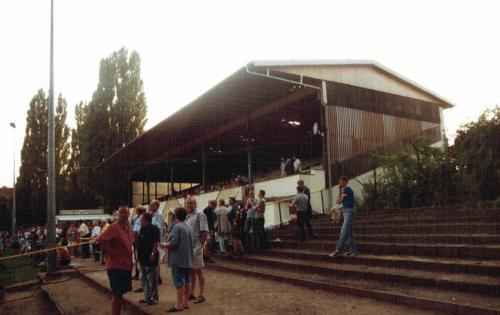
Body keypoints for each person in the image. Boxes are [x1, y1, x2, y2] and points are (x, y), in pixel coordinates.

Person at [97, 206, 133, 315]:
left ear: (128, 214)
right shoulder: (114, 227)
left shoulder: (127, 226)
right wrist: (111, 252)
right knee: (117, 294)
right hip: (116, 266)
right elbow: (101, 239)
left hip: (125, 265)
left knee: (120, 293)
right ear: (118, 214)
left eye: (125, 213)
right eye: (121, 213)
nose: (123, 215)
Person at [161, 207, 194, 312]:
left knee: (179, 282)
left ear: (175, 215)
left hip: (178, 259)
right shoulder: (188, 226)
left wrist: (164, 244)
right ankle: (185, 303)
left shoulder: (177, 227)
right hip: (188, 258)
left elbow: (174, 243)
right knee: (187, 280)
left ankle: (179, 305)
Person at [185, 196, 209, 304]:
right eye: (187, 203)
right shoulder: (187, 215)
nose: (189, 205)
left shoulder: (200, 214)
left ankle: (201, 294)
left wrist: (201, 245)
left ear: (195, 204)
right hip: (188, 247)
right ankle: (191, 293)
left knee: (199, 271)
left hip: (196, 246)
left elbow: (204, 231)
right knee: (191, 271)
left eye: (191, 203)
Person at [329, 176, 357, 257]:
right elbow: (339, 200)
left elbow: (339, 200)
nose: (339, 184)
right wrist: (339, 191)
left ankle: (338, 250)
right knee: (349, 233)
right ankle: (352, 251)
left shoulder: (347, 188)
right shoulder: (344, 189)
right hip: (346, 211)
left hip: (349, 211)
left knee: (344, 231)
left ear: (345, 182)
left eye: (340, 182)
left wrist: (339, 191)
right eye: (339, 182)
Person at [136, 212, 160, 305]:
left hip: (150, 258)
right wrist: (138, 255)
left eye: (141, 219)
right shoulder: (141, 229)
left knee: (152, 278)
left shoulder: (154, 229)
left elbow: (155, 243)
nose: (140, 221)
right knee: (144, 278)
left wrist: (153, 254)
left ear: (145, 220)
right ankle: (147, 297)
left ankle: (154, 297)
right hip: (142, 258)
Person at [149, 200, 163, 296]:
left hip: (157, 239)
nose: (150, 206)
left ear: (157, 206)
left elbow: (159, 227)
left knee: (156, 258)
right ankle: (155, 276)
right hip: (151, 238)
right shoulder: (152, 214)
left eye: (152, 205)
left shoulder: (159, 215)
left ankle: (157, 277)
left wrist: (152, 220)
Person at [132, 205, 145, 282]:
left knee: (138, 258)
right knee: (137, 258)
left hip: (137, 241)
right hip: (138, 240)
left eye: (136, 210)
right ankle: (137, 273)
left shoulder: (139, 219)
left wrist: (134, 240)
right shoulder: (138, 218)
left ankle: (139, 274)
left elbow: (136, 231)